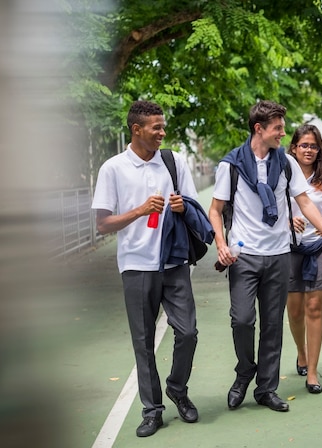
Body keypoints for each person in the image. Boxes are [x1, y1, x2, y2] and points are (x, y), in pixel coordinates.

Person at [208, 100, 322, 412]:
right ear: (259, 129)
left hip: (279, 254)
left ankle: (266, 389)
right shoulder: (232, 165)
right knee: (242, 320)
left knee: (272, 324)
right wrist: (220, 243)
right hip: (244, 255)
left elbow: (305, 202)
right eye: (278, 128)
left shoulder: (286, 163)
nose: (283, 133)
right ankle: (244, 373)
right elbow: (215, 210)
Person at [92, 101, 206, 437]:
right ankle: (152, 410)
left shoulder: (173, 162)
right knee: (143, 342)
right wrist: (141, 210)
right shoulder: (112, 168)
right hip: (136, 266)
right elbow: (102, 225)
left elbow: (194, 205)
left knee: (188, 332)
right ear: (136, 129)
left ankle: (177, 389)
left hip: (174, 262)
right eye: (155, 127)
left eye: (162, 126)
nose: (162, 132)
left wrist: (183, 205)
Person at [286, 124, 322, 394]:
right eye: (303, 145)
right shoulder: (282, 175)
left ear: (319, 150)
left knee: (314, 308)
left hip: (319, 247)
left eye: (313, 146)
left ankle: (313, 371)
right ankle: (301, 351)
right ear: (294, 148)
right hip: (288, 249)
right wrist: (289, 220)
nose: (308, 150)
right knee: (295, 310)